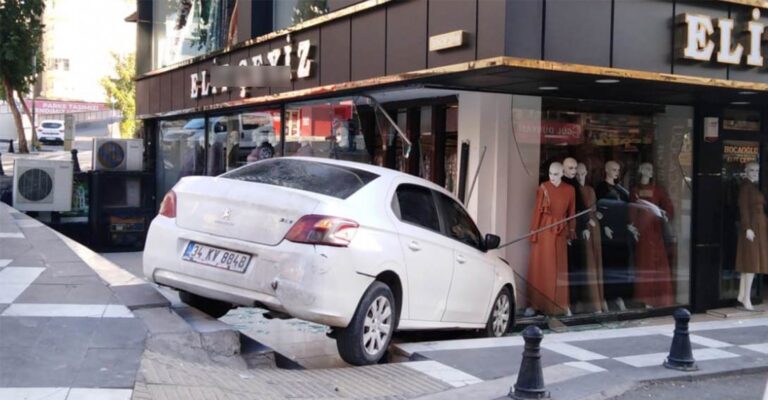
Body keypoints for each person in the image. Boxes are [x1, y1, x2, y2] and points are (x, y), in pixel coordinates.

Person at [527, 162, 576, 316]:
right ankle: (535, 304)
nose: (552, 177)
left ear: (562, 173)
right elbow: (537, 212)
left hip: (561, 230)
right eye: (550, 173)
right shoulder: (544, 188)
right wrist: (534, 232)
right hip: (544, 230)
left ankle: (562, 304)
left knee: (560, 268)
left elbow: (572, 213)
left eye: (556, 174)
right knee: (541, 266)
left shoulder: (570, 190)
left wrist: (571, 231)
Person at [735, 162, 768, 311]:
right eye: (752, 170)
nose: (755, 172)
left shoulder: (752, 187)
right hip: (752, 228)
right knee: (751, 263)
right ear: (746, 171)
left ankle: (742, 295)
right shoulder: (746, 188)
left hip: (758, 227)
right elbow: (744, 210)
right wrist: (747, 227)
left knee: (750, 262)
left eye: (756, 170)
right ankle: (746, 297)